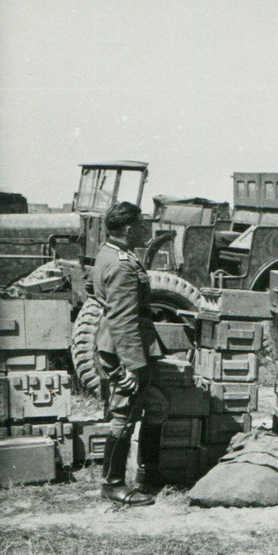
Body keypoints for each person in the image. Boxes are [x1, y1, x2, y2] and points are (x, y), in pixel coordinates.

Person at [93, 201, 169, 505]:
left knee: (158, 405)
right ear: (128, 229)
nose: (145, 230)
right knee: (124, 413)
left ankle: (147, 473)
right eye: (141, 225)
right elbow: (123, 321)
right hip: (126, 351)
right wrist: (131, 367)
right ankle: (112, 484)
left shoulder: (109, 253)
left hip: (128, 347)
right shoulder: (123, 265)